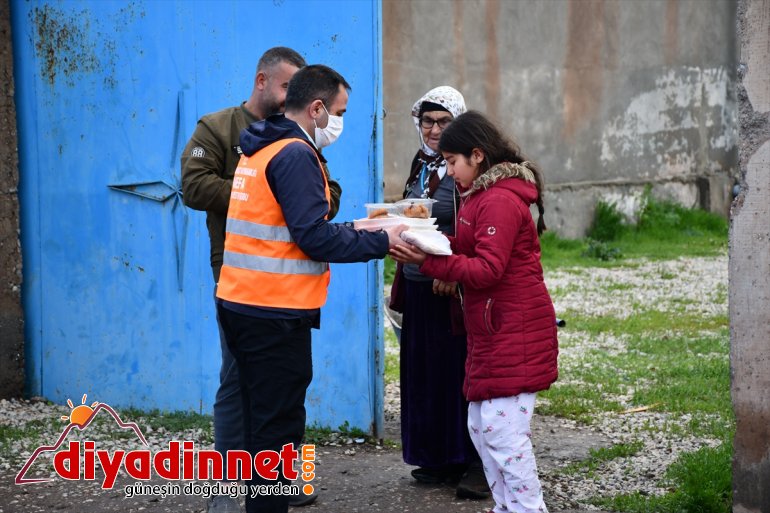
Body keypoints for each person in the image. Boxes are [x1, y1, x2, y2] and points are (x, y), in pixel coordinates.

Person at [215, 64, 406, 513]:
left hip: (242, 302)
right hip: (273, 314)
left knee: (258, 422)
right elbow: (312, 238)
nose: (339, 121)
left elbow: (292, 226)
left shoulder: (262, 145)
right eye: (339, 111)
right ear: (317, 108)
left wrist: (360, 227)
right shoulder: (295, 155)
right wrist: (383, 241)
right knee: (276, 431)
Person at [181, 47, 336, 512]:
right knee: (239, 381)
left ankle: (286, 479)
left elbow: (329, 196)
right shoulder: (220, 127)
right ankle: (230, 488)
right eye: (289, 85)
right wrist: (265, 190)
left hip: (290, 285)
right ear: (262, 80)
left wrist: (298, 193)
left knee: (289, 384)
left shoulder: (301, 141)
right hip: (238, 275)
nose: (296, 94)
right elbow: (192, 185)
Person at [390, 110, 558, 513]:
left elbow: (487, 268)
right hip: (491, 329)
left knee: (503, 434)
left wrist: (426, 261)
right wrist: (425, 240)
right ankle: (507, 507)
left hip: (512, 329)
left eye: (452, 162)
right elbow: (468, 247)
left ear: (477, 155)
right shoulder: (478, 195)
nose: (448, 172)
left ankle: (528, 508)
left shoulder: (498, 199)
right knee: (482, 429)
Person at [389, 86, 488, 499]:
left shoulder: (466, 169)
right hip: (417, 281)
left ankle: (472, 463)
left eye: (443, 122)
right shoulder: (423, 162)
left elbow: (471, 222)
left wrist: (453, 266)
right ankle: (437, 458)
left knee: (457, 373)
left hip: (449, 284)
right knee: (425, 371)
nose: (433, 130)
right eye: (427, 121)